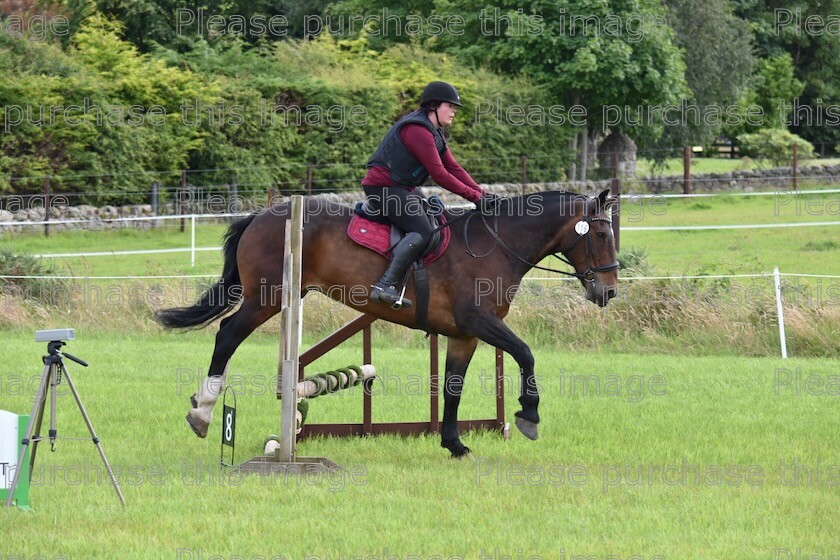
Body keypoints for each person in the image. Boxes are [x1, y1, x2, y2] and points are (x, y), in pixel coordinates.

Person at [362, 81, 500, 308]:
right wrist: (474, 198)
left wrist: (482, 193)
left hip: (402, 188)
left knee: (438, 219)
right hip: (383, 188)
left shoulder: (435, 132)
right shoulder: (417, 130)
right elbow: (439, 174)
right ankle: (384, 285)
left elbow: (454, 168)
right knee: (423, 230)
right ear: (434, 106)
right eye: (451, 106)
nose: (454, 111)